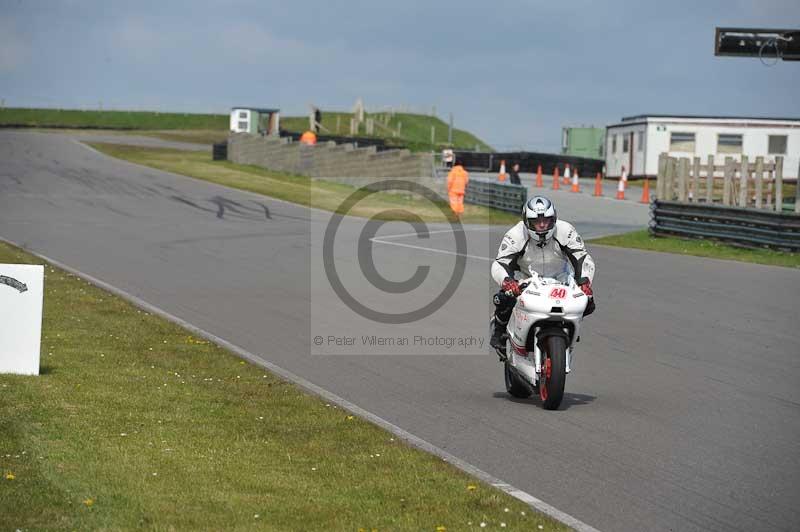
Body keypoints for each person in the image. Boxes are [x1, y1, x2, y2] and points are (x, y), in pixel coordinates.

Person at [489, 195, 596, 351]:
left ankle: (569, 329)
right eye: (536, 222)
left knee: (589, 302)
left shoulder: (566, 231)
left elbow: (582, 257)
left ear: (554, 219)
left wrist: (585, 282)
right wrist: (507, 282)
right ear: (527, 222)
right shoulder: (515, 235)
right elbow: (500, 263)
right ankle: (499, 330)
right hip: (526, 280)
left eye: (546, 221)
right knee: (504, 299)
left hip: (561, 280)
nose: (542, 225)